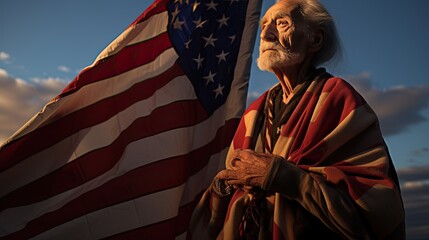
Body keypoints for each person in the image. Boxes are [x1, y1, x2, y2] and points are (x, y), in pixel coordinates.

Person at [189, 0, 406, 239]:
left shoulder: (338, 99)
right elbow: (222, 205)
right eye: (263, 26)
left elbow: (373, 213)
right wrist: (224, 185)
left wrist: (281, 177)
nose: (266, 34)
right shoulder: (255, 112)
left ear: (315, 40)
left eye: (282, 23)